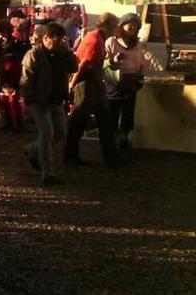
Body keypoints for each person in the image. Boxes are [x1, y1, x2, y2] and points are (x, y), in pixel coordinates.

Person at [21, 23, 78, 185]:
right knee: (47, 135)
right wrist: (27, 98)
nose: (57, 44)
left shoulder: (62, 52)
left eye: (60, 41)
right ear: (45, 38)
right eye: (55, 40)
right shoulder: (33, 55)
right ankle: (47, 172)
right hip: (40, 101)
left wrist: (68, 52)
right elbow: (26, 77)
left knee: (60, 134)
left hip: (57, 100)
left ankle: (32, 148)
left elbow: (74, 67)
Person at [66, 12, 120, 166]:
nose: (116, 30)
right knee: (80, 121)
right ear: (108, 26)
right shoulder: (95, 40)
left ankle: (111, 157)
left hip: (94, 83)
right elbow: (84, 65)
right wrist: (73, 84)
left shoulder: (97, 38)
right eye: (115, 26)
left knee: (103, 120)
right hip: (87, 84)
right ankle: (70, 155)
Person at [105, 12, 147, 156]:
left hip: (131, 81)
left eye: (136, 25)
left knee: (128, 112)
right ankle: (111, 143)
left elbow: (140, 62)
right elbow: (105, 62)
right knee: (112, 112)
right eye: (130, 24)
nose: (133, 27)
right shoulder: (112, 41)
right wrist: (115, 60)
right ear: (122, 26)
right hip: (114, 81)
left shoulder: (137, 44)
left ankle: (124, 139)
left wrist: (140, 77)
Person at [0, 19, 28, 131]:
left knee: (14, 98)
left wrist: (9, 56)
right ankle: (9, 121)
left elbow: (21, 56)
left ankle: (18, 122)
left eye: (3, 31)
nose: (2, 33)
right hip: (3, 73)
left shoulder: (17, 43)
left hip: (13, 73)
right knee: (4, 98)